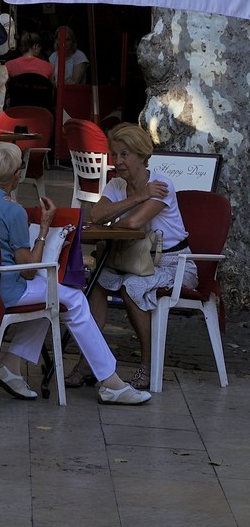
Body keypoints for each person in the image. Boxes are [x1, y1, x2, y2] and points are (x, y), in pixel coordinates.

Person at [0, 142, 150, 403]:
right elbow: (29, 269)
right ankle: (111, 382)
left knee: (51, 298)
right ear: (17, 175)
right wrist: (43, 229)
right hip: (1, 288)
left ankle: (11, 364)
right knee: (72, 297)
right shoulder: (12, 210)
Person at [85, 122, 196, 390]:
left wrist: (116, 217)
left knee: (131, 286)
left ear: (142, 156)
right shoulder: (116, 184)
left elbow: (134, 224)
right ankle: (89, 364)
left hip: (174, 264)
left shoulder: (161, 185)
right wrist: (137, 198)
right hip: (133, 260)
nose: (118, 161)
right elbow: (95, 216)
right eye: (115, 154)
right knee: (96, 282)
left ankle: (147, 364)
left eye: (125, 155)